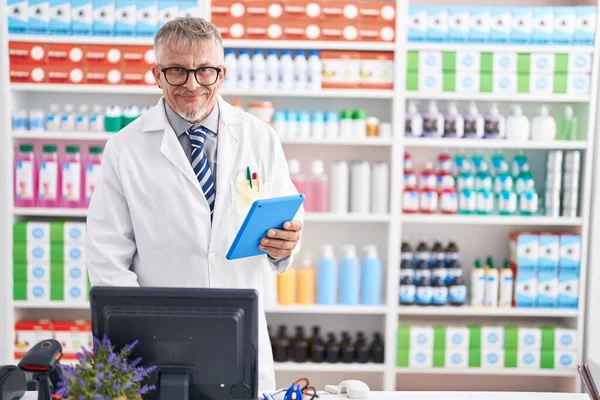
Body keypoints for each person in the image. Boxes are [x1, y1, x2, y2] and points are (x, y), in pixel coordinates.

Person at [85, 17, 303, 392]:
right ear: (156, 74)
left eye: (205, 71)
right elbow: (106, 257)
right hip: (157, 343)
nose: (192, 85)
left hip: (241, 334)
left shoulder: (259, 138)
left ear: (222, 73)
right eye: (176, 72)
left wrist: (286, 244)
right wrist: (140, 333)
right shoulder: (125, 148)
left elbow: (287, 217)